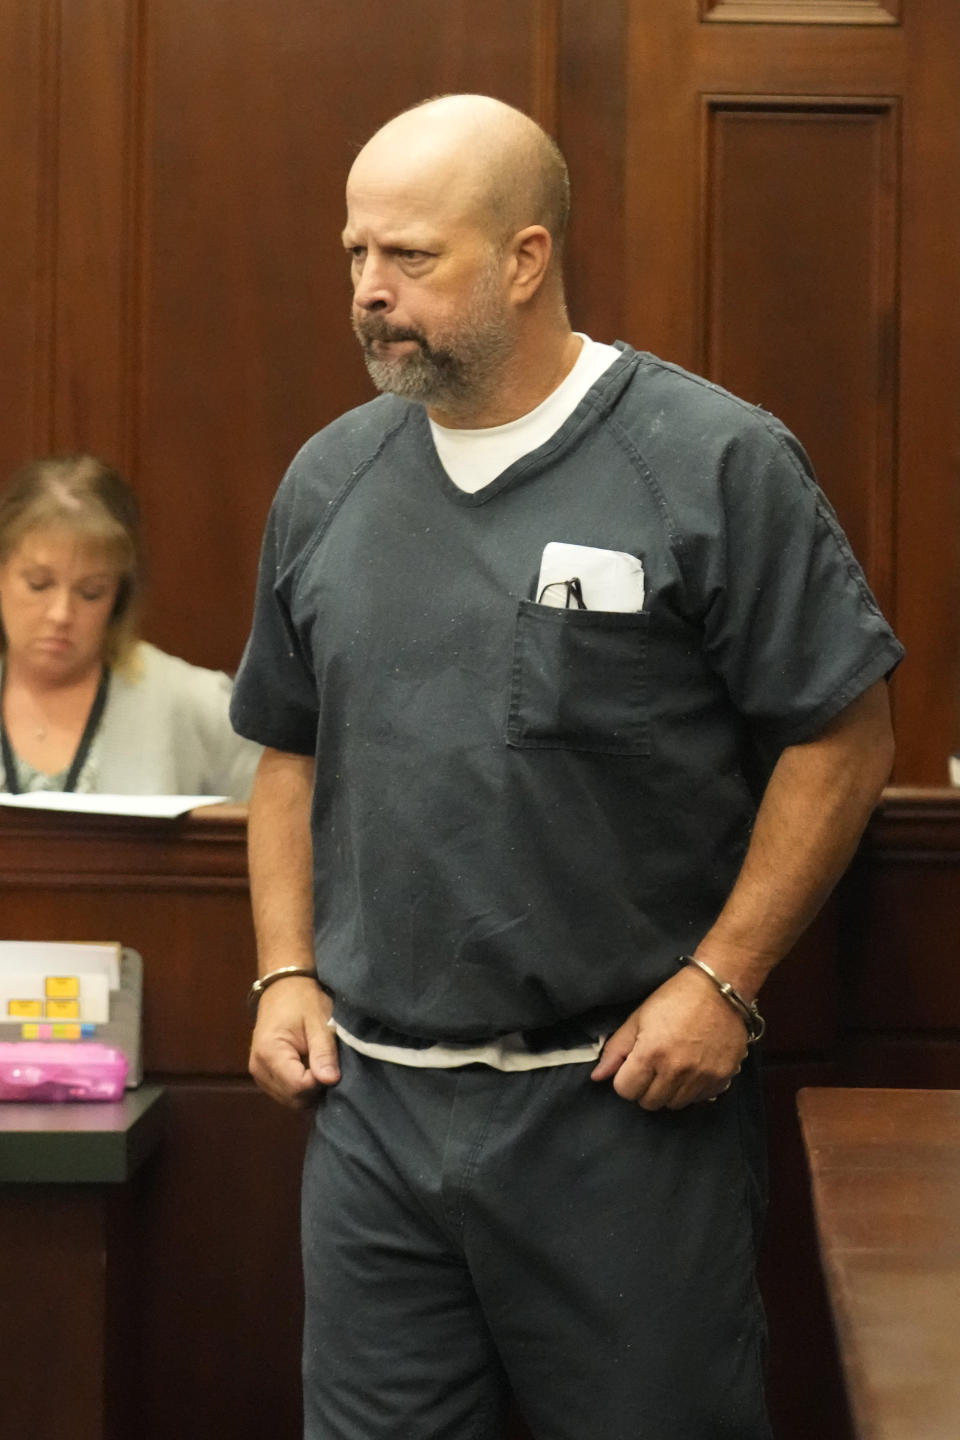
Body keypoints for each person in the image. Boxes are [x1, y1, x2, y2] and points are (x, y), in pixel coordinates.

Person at [231, 94, 903, 1440]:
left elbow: (845, 737)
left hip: (618, 1119)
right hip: (373, 1117)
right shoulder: (328, 480)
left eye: (411, 257)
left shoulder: (712, 460)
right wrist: (284, 968)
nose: (370, 291)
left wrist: (724, 982)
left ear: (527, 258)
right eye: (356, 254)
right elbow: (289, 753)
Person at [0, 453, 260, 798]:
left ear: (119, 598)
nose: (61, 614)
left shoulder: (191, 702)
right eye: (38, 584)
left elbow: (284, 826)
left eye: (91, 592)